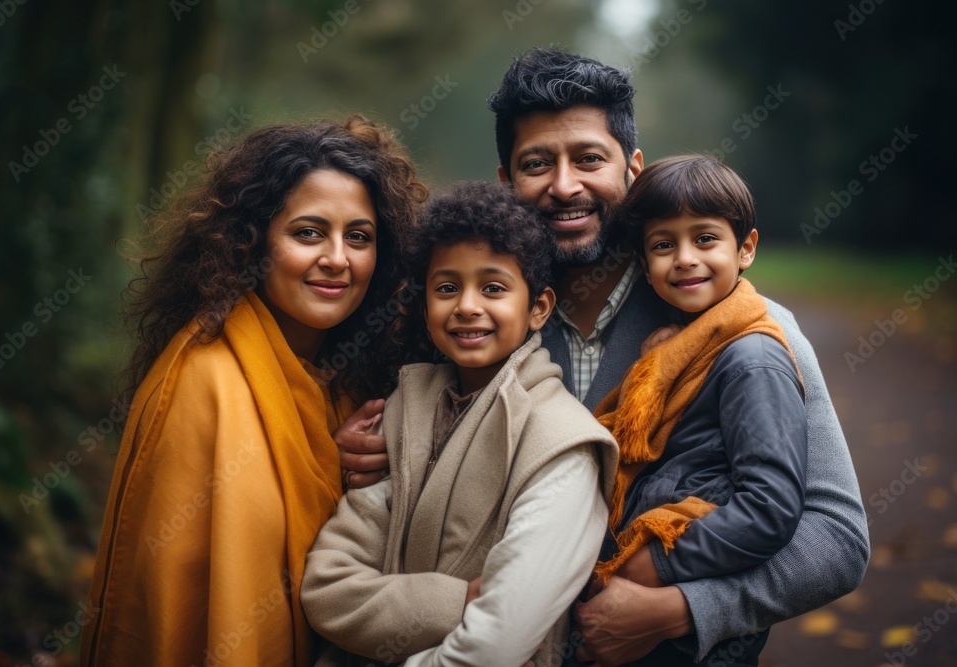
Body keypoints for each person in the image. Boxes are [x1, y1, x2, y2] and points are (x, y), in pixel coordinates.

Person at [337, 48, 869, 666]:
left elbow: (837, 539)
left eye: (589, 159)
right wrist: (367, 442)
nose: (565, 186)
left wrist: (688, 611)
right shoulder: (462, 324)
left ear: (633, 169)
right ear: (507, 181)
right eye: (537, 164)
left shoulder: (744, 332)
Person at [80, 115, 427, 667]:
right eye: (308, 232)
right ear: (251, 240)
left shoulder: (354, 381)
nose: (337, 258)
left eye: (358, 237)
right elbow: (174, 603)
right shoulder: (205, 380)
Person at [300, 181, 619, 666]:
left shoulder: (563, 443)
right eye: (447, 287)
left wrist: (396, 603)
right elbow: (327, 588)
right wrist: (455, 603)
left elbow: (499, 641)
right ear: (426, 303)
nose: (467, 306)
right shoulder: (405, 412)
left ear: (538, 308)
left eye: (493, 287)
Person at [585, 154, 808, 662]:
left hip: (693, 640)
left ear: (745, 247)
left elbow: (769, 507)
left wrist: (653, 565)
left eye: (705, 239)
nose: (685, 258)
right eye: (664, 245)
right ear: (645, 264)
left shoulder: (753, 359)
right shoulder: (677, 349)